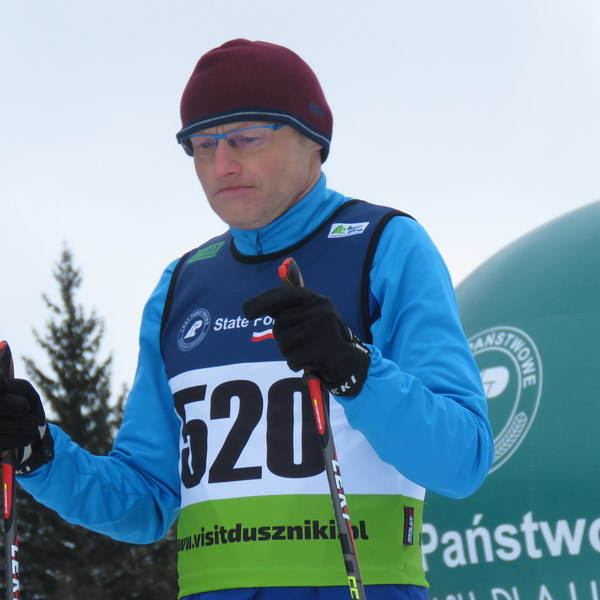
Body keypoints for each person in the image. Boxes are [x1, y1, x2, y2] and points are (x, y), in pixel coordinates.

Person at [0, 39, 494, 599]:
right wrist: (41, 454)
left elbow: (462, 461)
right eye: (202, 146)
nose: (222, 165)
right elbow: (148, 501)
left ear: (313, 139)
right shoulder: (181, 285)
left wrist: (354, 369)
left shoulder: (383, 246)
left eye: (247, 139)